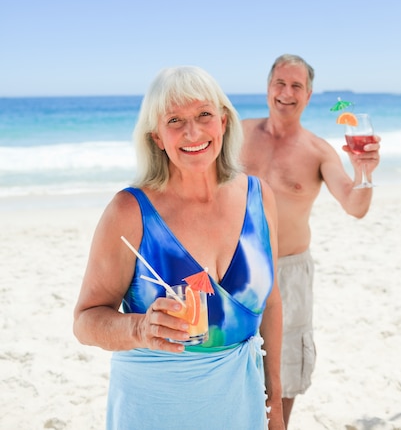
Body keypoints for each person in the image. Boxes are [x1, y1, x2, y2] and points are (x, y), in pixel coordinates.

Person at [73, 65, 285, 430]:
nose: (193, 131)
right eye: (175, 120)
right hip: (155, 406)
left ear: (223, 121)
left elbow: (274, 302)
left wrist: (274, 401)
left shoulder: (258, 195)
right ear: (156, 136)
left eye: (204, 114)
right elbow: (85, 321)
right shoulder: (129, 212)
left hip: (240, 401)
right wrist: (139, 328)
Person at [240, 54, 381, 429]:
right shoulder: (235, 133)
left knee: (285, 366)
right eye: (280, 84)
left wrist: (364, 172)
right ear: (268, 87)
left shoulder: (319, 151)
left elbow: (355, 205)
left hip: (290, 272)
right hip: (234, 266)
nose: (287, 93)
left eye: (296, 86)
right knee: (230, 358)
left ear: (309, 94)